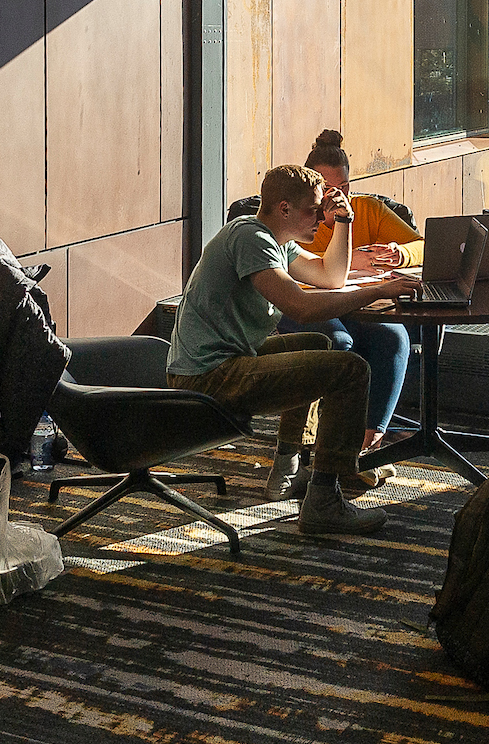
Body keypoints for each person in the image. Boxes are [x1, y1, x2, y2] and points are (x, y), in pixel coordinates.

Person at [166, 164, 418, 536]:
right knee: (351, 369)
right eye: (314, 210)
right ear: (284, 209)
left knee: (322, 343)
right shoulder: (251, 239)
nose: (322, 217)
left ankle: (289, 464)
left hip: (225, 361)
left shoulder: (276, 241)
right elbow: (301, 307)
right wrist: (378, 291)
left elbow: (331, 277)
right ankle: (324, 501)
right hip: (207, 377)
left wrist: (345, 219)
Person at [296, 130, 419, 464]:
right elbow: (299, 269)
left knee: (394, 337)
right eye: (329, 189)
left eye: (345, 188)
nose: (338, 197)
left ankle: (365, 444)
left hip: (354, 303)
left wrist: (398, 254)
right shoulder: (300, 217)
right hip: (308, 303)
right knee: (338, 341)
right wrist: (348, 265)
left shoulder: (367, 210)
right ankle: (324, 442)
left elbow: (424, 245)